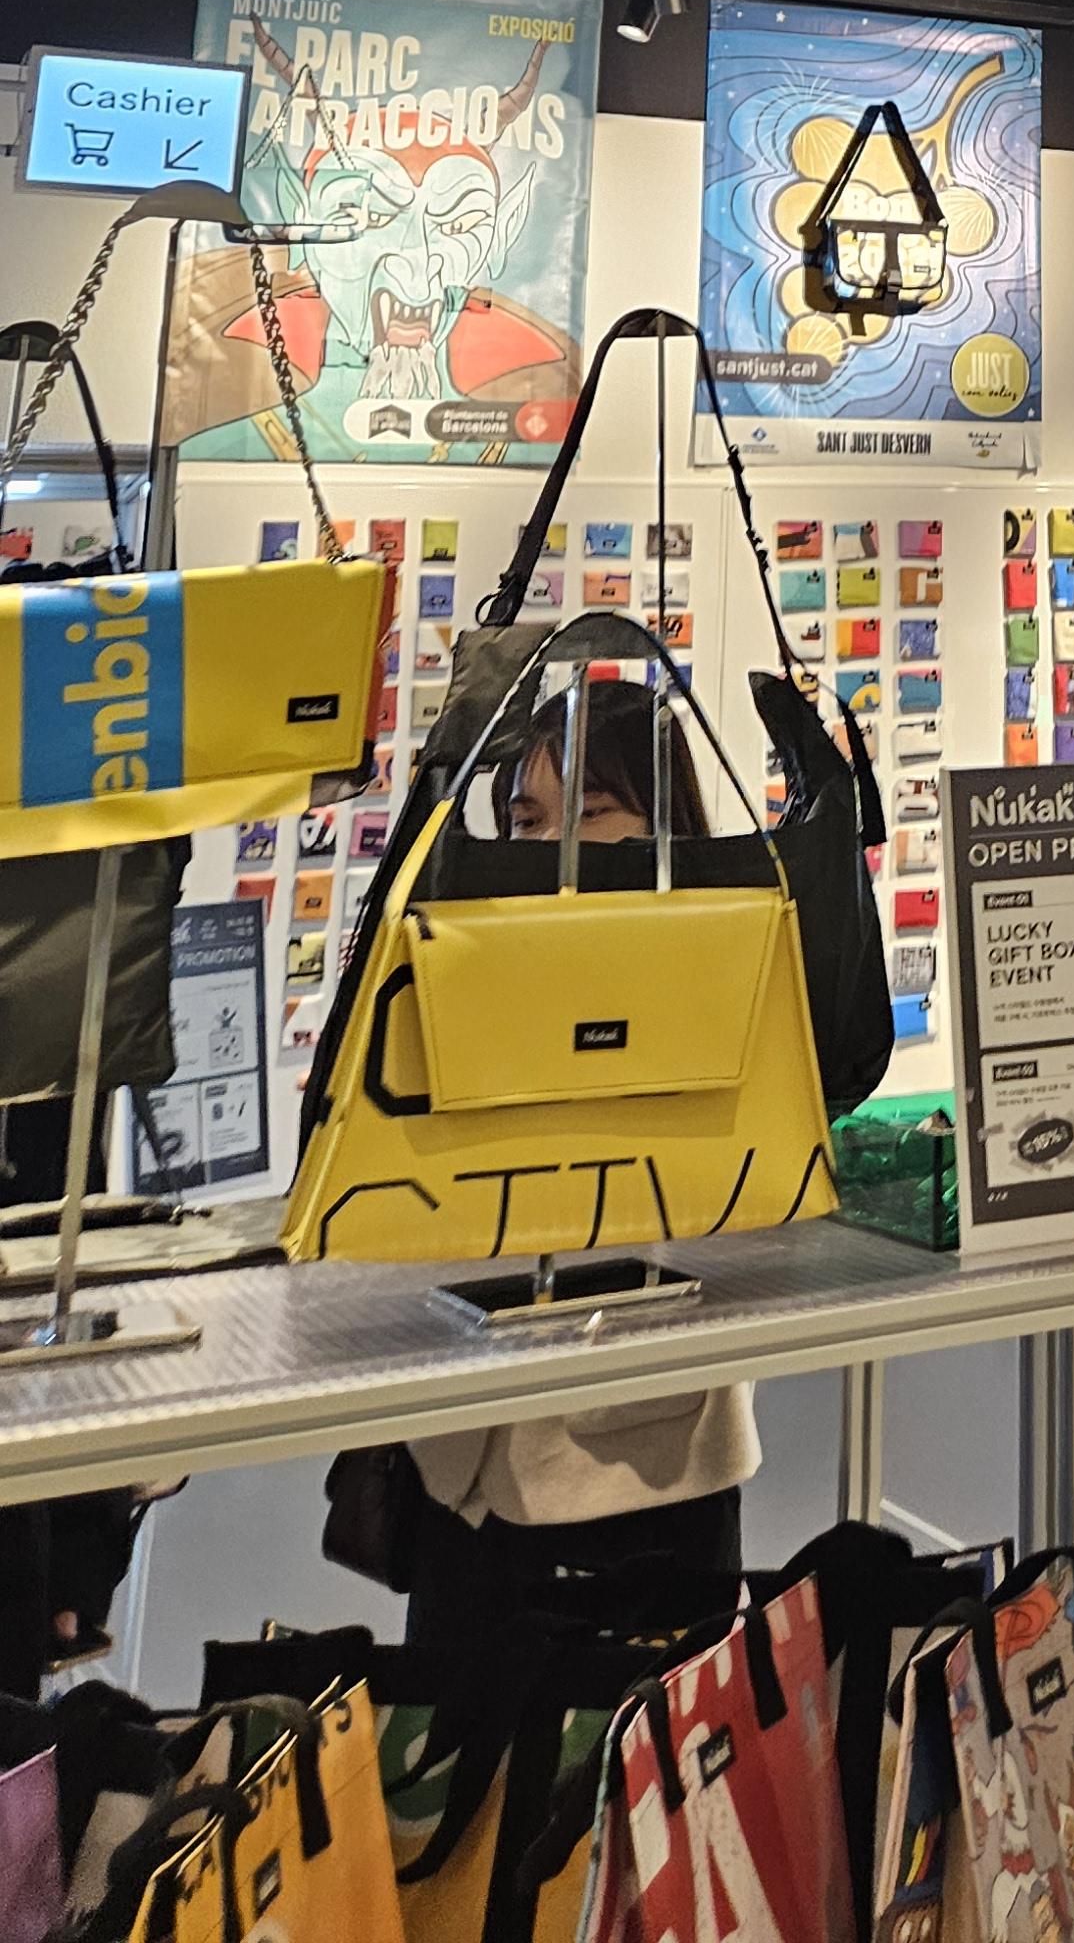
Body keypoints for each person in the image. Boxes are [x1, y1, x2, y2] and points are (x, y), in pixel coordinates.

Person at [375, 688, 755, 1650]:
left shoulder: (723, 968)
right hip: (474, 1470)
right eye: (527, 820)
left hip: (662, 1457)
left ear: (664, 824)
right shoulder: (462, 966)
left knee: (675, 1736)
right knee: (465, 1733)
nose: (551, 847)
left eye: (589, 813)